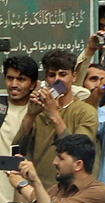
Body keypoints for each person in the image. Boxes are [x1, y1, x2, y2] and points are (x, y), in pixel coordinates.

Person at [15, 53, 98, 190]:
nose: (57, 80)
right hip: (40, 189)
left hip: (74, 190)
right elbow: (18, 150)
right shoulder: (38, 112)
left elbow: (79, 152)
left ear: (74, 77)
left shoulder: (86, 112)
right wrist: (30, 115)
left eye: (63, 74)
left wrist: (54, 114)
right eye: (52, 75)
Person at [13, 134, 105, 203]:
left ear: (78, 165)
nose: (54, 162)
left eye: (61, 158)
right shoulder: (56, 189)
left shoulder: (98, 192)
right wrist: (19, 178)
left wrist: (24, 185)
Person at [2, 55, 37, 156]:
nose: (14, 84)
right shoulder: (1, 107)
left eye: (21, 79)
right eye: (10, 78)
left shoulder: (39, 112)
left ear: (32, 84)